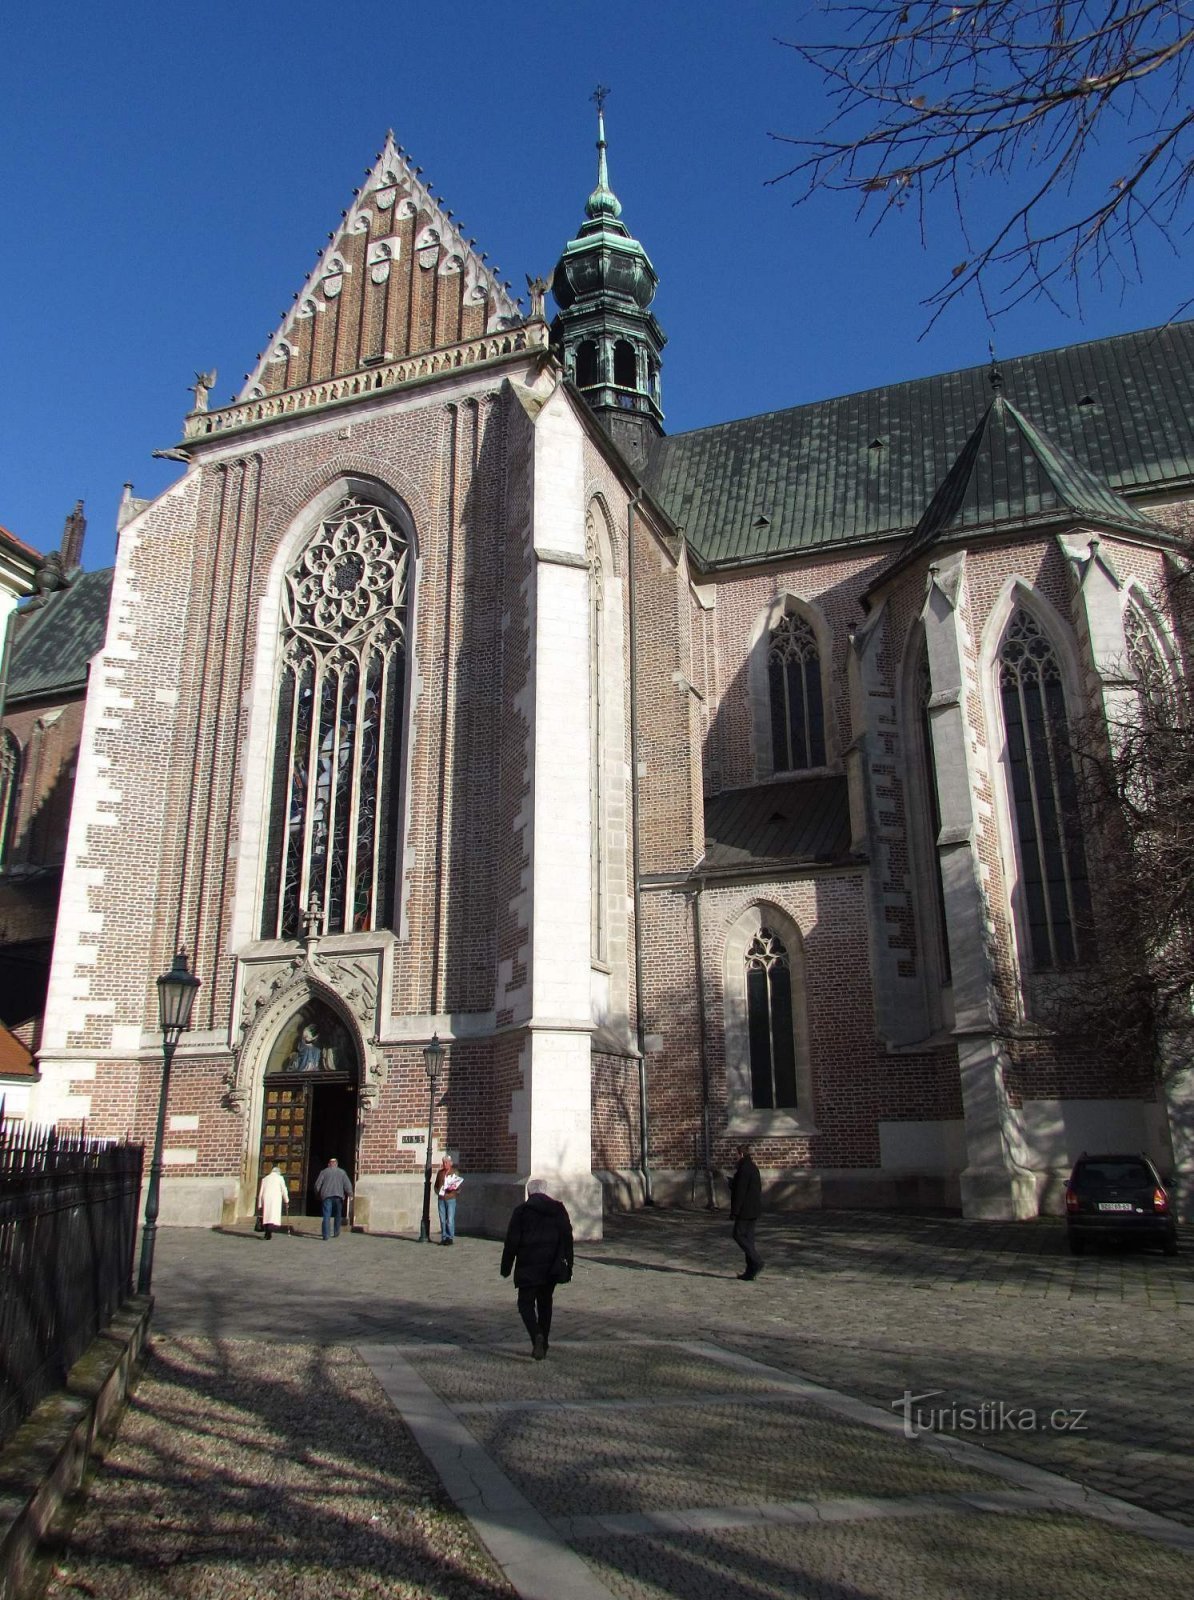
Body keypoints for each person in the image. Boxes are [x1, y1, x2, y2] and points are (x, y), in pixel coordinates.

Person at [500, 1178, 573, 1360]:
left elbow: (512, 1241)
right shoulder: (558, 1209)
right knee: (545, 1303)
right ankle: (544, 1342)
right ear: (545, 1192)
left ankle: (536, 1335)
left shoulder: (522, 1211)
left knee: (525, 1303)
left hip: (528, 1265)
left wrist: (506, 1267)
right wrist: (568, 1265)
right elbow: (567, 1238)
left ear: (529, 1193)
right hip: (551, 1266)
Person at [729, 1143, 764, 1280]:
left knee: (738, 1235)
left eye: (736, 1154)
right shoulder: (753, 1167)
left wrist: (735, 1211)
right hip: (754, 1208)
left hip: (745, 1209)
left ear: (741, 1154)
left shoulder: (743, 1169)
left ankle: (756, 1261)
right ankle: (750, 1271)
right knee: (749, 1239)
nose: (735, 1157)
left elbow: (740, 1192)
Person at [314, 1156, 353, 1239]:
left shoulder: (324, 1172)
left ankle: (326, 1235)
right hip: (338, 1196)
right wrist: (350, 1194)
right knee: (338, 1215)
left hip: (327, 1196)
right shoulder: (342, 1172)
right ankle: (336, 1232)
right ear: (337, 1164)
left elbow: (317, 1185)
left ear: (329, 1164)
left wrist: (317, 1194)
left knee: (326, 1215)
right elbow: (347, 1184)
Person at [434, 1155, 462, 1245]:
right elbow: (436, 1185)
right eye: (443, 1162)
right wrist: (438, 1192)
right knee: (442, 1219)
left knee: (449, 1219)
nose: (444, 1164)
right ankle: (444, 1237)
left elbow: (459, 1187)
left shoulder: (454, 1172)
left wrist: (453, 1190)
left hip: (450, 1198)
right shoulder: (440, 1173)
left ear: (450, 1163)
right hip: (441, 1199)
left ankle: (450, 1237)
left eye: (446, 1162)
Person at [257, 1162, 289, 1240]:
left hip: (266, 1198)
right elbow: (284, 1189)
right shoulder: (280, 1178)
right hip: (276, 1199)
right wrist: (286, 1200)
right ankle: (269, 1232)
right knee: (273, 1216)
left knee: (267, 1216)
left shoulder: (265, 1179)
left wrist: (259, 1204)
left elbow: (260, 1192)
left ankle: (267, 1233)